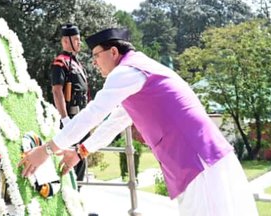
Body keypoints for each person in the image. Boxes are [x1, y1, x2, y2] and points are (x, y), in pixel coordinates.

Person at [21, 27, 258, 216]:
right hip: (199, 162)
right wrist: (81, 151)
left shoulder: (127, 72)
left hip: (199, 163)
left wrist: (47, 149)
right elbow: (116, 121)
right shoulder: (139, 71)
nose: (94, 62)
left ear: (113, 52)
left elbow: (94, 112)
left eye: (96, 55)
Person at [50, 23, 89, 181]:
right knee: (69, 157)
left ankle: (77, 191)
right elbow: (57, 91)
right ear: (66, 41)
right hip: (70, 117)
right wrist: (64, 118)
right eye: (76, 40)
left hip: (82, 117)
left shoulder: (77, 63)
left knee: (81, 156)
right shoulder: (61, 62)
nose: (80, 43)